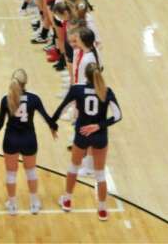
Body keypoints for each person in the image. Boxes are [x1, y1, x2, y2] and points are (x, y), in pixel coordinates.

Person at [52, 63, 121, 220]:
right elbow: (117, 116)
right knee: (100, 173)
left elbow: (62, 108)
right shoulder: (106, 91)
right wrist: (98, 125)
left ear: (85, 75)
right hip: (100, 135)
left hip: (82, 134)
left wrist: (53, 123)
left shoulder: (77, 89)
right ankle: (102, 210)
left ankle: (68, 200)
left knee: (73, 166)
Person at [0, 70, 58, 215]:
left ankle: (12, 205)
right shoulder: (34, 99)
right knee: (31, 172)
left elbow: (0, 123)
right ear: (25, 83)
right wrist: (54, 127)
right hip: (29, 139)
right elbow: (46, 117)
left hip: (11, 139)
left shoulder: (6, 99)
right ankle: (34, 203)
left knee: (11, 174)